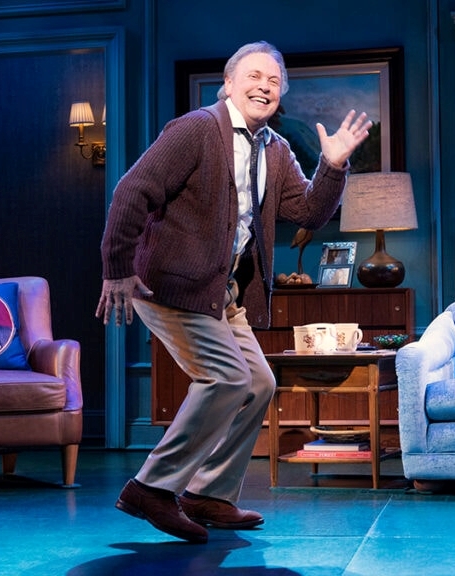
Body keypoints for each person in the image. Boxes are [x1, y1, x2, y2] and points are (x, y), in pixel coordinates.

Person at [95, 40, 372, 543]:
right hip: (170, 284)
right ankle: (151, 488)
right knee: (226, 377)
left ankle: (208, 494)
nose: (264, 87)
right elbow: (132, 190)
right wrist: (116, 269)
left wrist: (332, 166)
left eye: (274, 81)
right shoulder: (197, 129)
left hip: (221, 293)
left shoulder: (276, 149)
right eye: (254, 76)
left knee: (259, 384)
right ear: (228, 84)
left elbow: (308, 213)